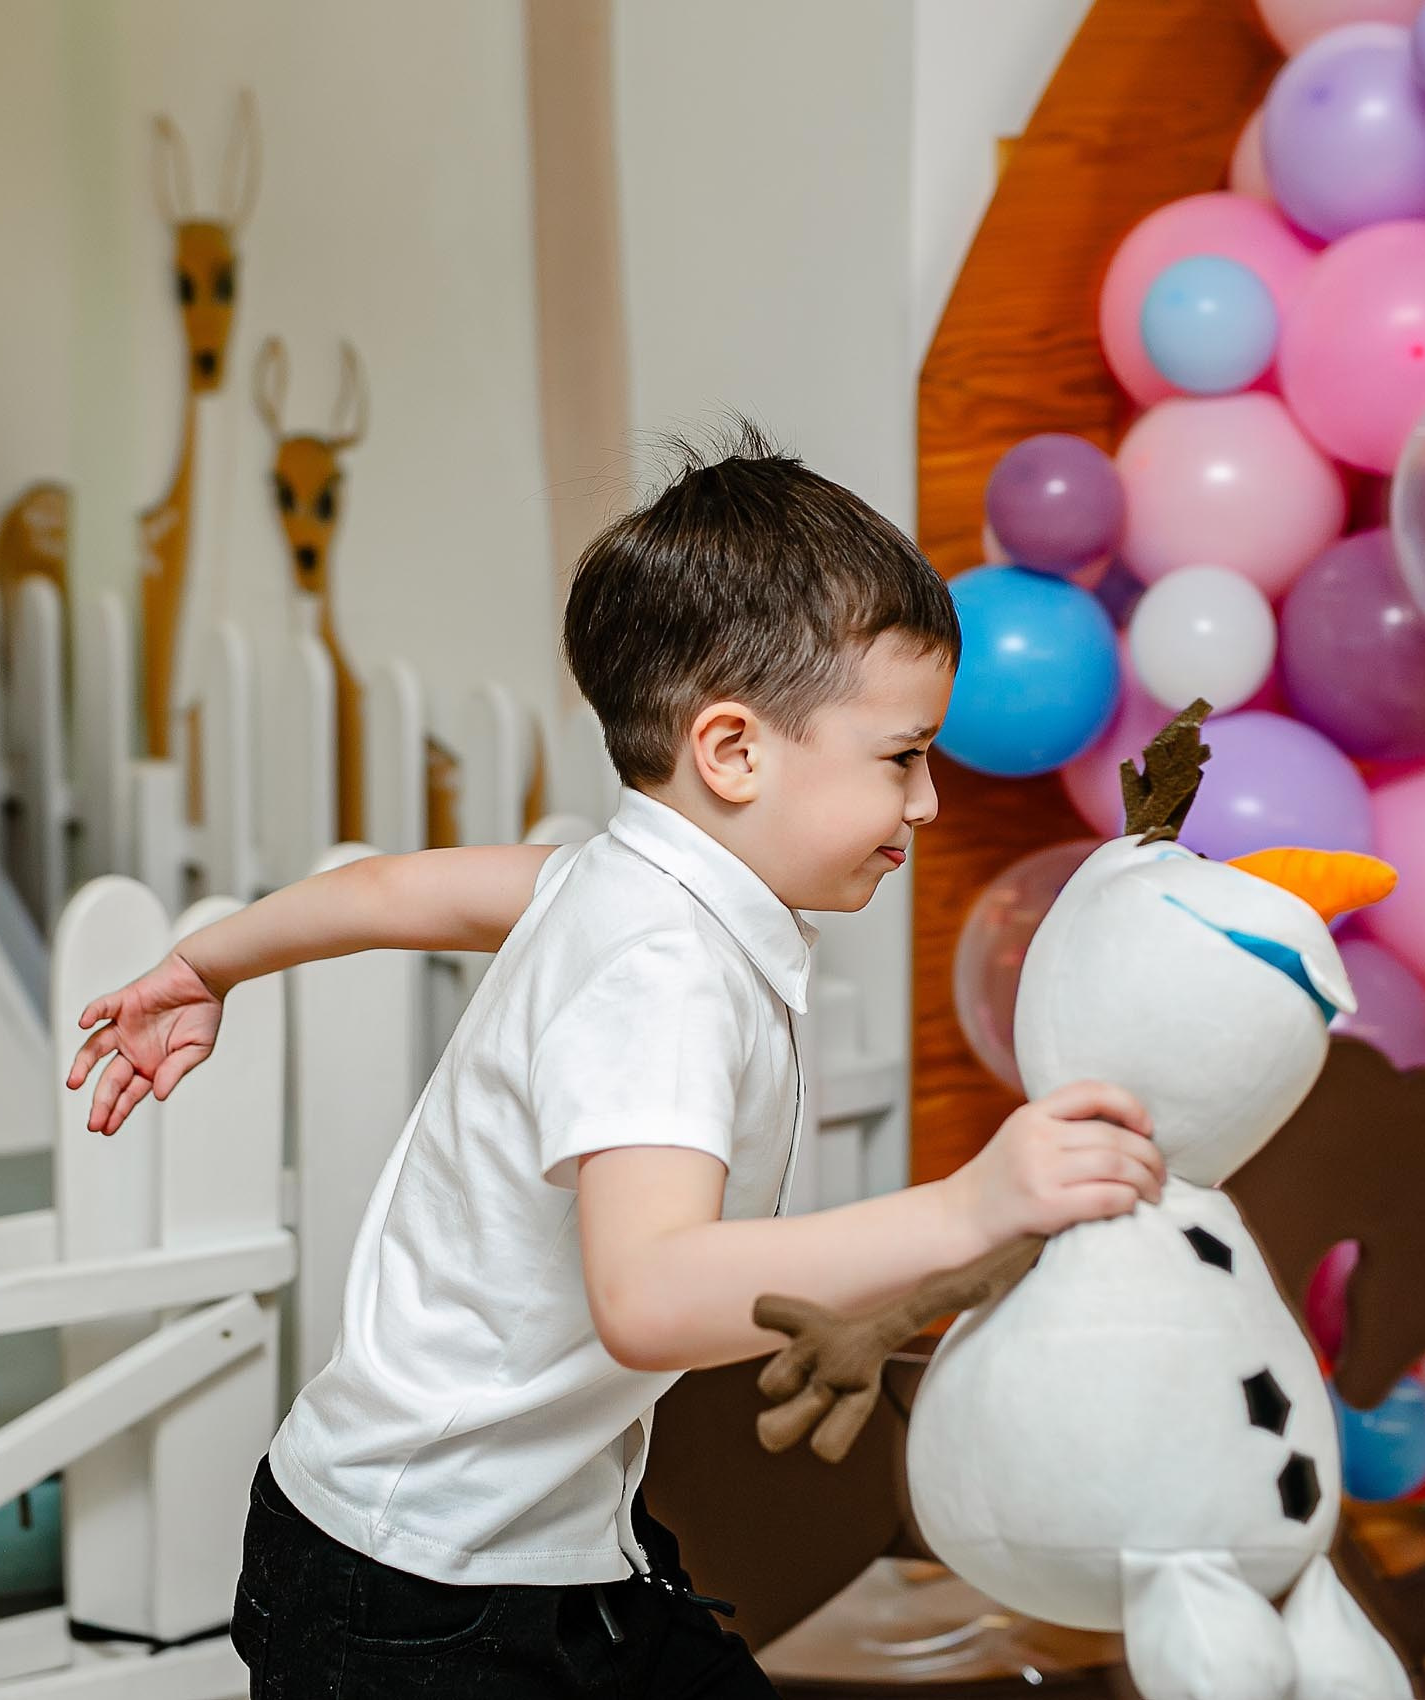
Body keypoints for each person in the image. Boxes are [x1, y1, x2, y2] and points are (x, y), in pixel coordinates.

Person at [66, 429, 1161, 1697]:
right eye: (903, 757)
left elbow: (394, 891)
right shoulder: (661, 966)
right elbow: (646, 1291)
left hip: (540, 1542)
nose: (927, 804)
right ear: (734, 751)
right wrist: (970, 1204)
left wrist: (209, 963)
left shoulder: (614, 879)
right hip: (422, 1591)